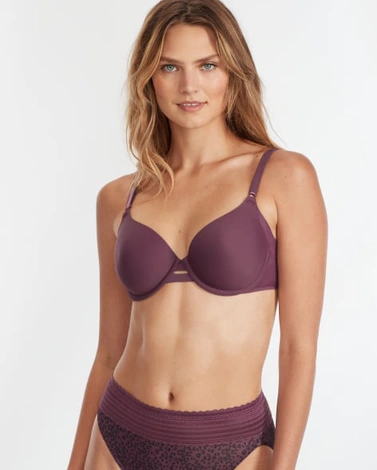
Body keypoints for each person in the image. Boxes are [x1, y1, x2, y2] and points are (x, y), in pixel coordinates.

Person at [67, 0, 327, 468]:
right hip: (117, 434)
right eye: (170, 66)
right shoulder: (118, 197)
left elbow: (298, 348)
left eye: (208, 65)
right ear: (149, 77)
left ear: (234, 73)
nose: (190, 85)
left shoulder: (284, 178)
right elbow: (108, 351)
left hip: (232, 445)